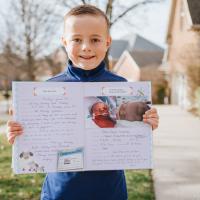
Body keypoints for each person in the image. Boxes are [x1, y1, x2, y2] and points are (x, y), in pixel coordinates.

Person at [6, 4, 159, 200]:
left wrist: (147, 122)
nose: (86, 47)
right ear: (64, 42)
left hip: (109, 192)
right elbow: (36, 139)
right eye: (77, 39)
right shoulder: (45, 91)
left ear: (107, 42)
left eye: (95, 39)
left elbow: (132, 133)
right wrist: (18, 135)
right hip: (61, 192)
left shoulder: (124, 88)